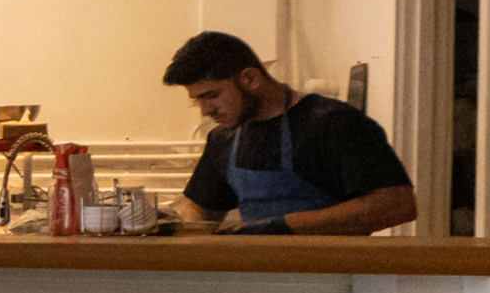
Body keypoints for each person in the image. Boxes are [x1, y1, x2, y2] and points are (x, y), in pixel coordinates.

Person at [161, 32, 417, 235]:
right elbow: (201, 208)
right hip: (261, 281)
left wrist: (288, 225)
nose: (205, 110)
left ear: (249, 79)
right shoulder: (223, 138)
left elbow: (397, 204)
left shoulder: (333, 123)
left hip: (336, 284)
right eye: (198, 100)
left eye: (212, 96)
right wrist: (191, 235)